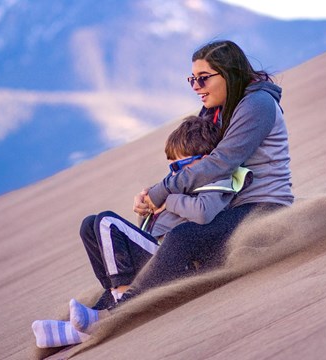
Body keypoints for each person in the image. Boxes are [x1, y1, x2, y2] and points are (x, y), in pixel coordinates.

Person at [68, 39, 293, 334]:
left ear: (230, 74)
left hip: (261, 208)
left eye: (203, 78)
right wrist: (152, 200)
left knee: (184, 235)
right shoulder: (215, 111)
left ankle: (122, 310)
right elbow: (192, 165)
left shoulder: (257, 105)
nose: (197, 87)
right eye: (192, 80)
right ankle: (101, 310)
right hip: (222, 210)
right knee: (95, 226)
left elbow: (219, 164)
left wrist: (163, 191)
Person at [32, 115, 252, 348]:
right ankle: (80, 326)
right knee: (90, 224)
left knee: (107, 221)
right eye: (171, 167)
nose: (174, 174)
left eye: (179, 166)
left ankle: (119, 297)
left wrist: (170, 200)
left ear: (204, 161)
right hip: (156, 253)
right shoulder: (182, 184)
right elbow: (148, 229)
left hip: (176, 260)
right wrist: (146, 209)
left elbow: (204, 212)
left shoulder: (216, 180)